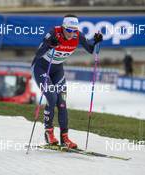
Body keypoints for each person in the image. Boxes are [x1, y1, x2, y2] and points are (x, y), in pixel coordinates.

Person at [31, 14, 103, 149]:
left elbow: (90, 49)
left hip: (57, 69)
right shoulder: (54, 33)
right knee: (52, 98)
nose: (71, 33)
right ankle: (49, 133)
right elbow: (38, 53)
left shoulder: (77, 35)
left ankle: (65, 138)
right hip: (41, 67)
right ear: (63, 28)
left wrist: (96, 40)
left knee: (62, 102)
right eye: (69, 30)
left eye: (74, 30)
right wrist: (49, 44)